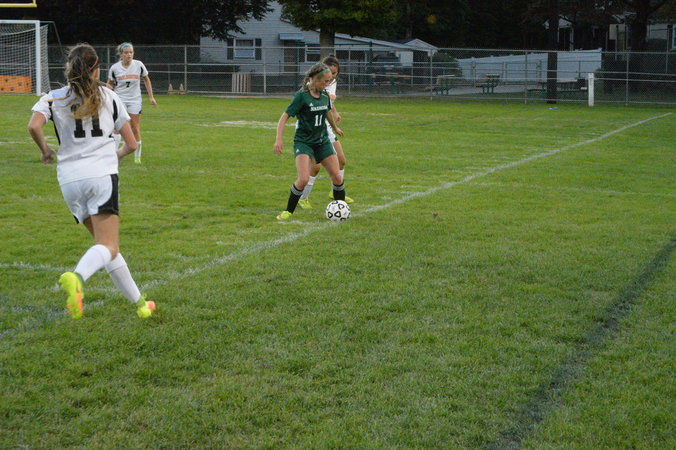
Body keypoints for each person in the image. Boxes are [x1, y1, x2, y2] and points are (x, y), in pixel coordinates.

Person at [28, 43, 155, 319]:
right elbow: (132, 144)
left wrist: (46, 150)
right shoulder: (109, 96)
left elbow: (34, 126)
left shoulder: (54, 97)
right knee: (107, 246)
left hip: (69, 180)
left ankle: (140, 304)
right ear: (96, 69)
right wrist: (114, 156)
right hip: (100, 175)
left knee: (105, 247)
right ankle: (77, 277)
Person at [273, 62, 347, 220]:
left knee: (337, 177)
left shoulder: (324, 94)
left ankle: (341, 210)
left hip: (322, 141)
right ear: (315, 79)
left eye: (329, 81)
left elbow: (327, 111)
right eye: (325, 81)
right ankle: (288, 211)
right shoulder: (302, 96)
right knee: (303, 179)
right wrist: (278, 139)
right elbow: (284, 117)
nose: (328, 84)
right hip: (304, 142)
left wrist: (335, 128)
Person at [298, 55, 354, 210]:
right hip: (313, 128)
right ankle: (303, 198)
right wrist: (329, 97)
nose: (332, 77)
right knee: (315, 167)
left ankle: (335, 192)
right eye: (330, 73)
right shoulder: (312, 84)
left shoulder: (331, 82)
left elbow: (327, 102)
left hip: (327, 126)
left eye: (335, 73)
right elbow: (320, 96)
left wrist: (334, 112)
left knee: (341, 160)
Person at [107, 42, 157, 164]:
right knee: (117, 127)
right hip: (120, 100)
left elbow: (146, 79)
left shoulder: (139, 65)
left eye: (131, 52)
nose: (129, 55)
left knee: (135, 128)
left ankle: (137, 157)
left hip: (135, 100)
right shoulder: (115, 68)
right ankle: (114, 156)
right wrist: (107, 95)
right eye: (126, 53)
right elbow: (110, 83)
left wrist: (151, 97)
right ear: (121, 54)